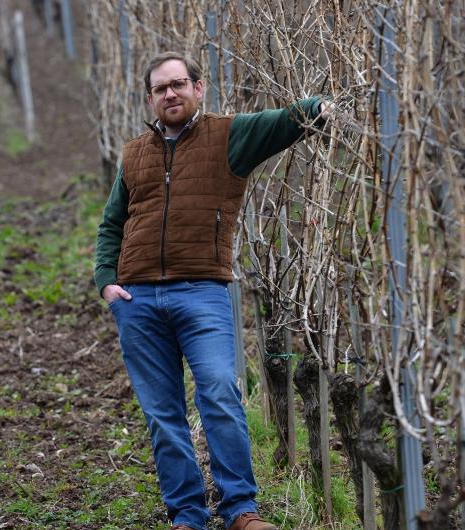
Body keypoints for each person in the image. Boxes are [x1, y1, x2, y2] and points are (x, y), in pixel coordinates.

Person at [93, 51, 330, 530]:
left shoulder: (228, 135)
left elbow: (283, 122)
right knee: (163, 415)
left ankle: (240, 509)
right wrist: (107, 283)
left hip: (201, 290)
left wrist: (322, 106)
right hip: (137, 301)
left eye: (179, 84)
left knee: (219, 390)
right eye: (161, 89)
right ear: (150, 98)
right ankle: (187, 514)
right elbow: (112, 224)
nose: (170, 94)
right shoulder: (136, 151)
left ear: (199, 88)